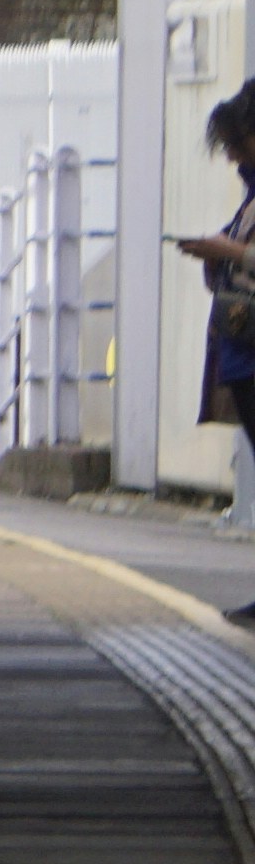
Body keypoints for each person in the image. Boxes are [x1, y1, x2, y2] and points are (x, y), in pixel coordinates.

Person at [180, 85, 255, 612]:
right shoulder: (251, 196)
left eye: (237, 144)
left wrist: (226, 249)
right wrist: (218, 257)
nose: (230, 156)